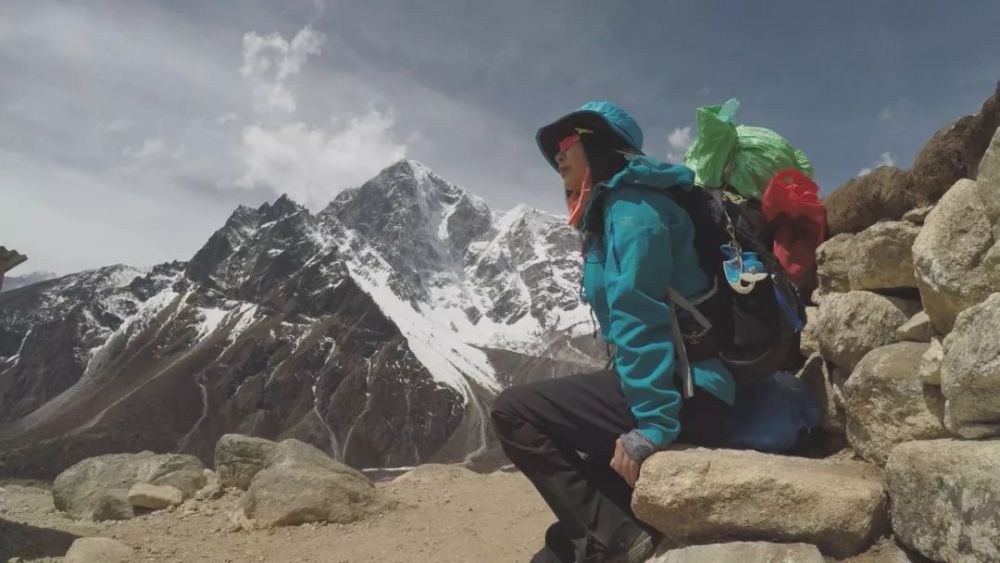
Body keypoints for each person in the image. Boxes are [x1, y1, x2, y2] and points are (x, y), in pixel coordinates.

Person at [490, 101, 737, 563]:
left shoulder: (633, 209)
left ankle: (624, 540)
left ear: (601, 144)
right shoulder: (619, 210)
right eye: (554, 152)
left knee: (512, 412)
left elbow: (638, 316)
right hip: (672, 387)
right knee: (560, 548)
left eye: (567, 144)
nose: (557, 158)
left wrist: (653, 428)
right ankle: (611, 537)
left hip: (686, 393)